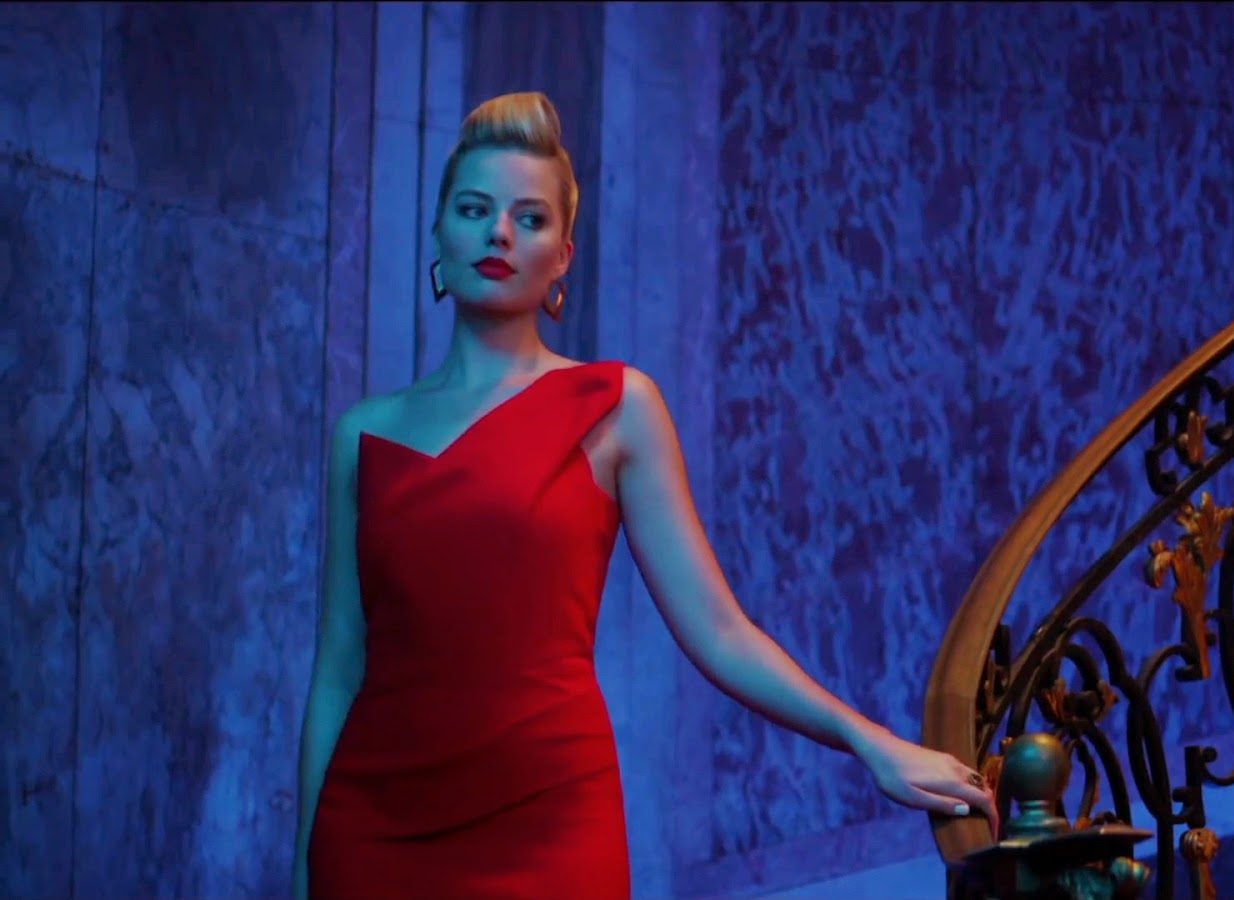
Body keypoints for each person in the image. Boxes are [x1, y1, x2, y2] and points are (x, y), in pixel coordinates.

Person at [292, 91, 998, 899]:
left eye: (530, 218)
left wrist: (868, 741)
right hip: (372, 826)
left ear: (563, 256)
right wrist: (305, 864)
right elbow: (338, 669)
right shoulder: (364, 434)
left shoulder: (616, 405)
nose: (499, 234)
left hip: (549, 819)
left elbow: (720, 631)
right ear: (439, 232)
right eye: (475, 210)